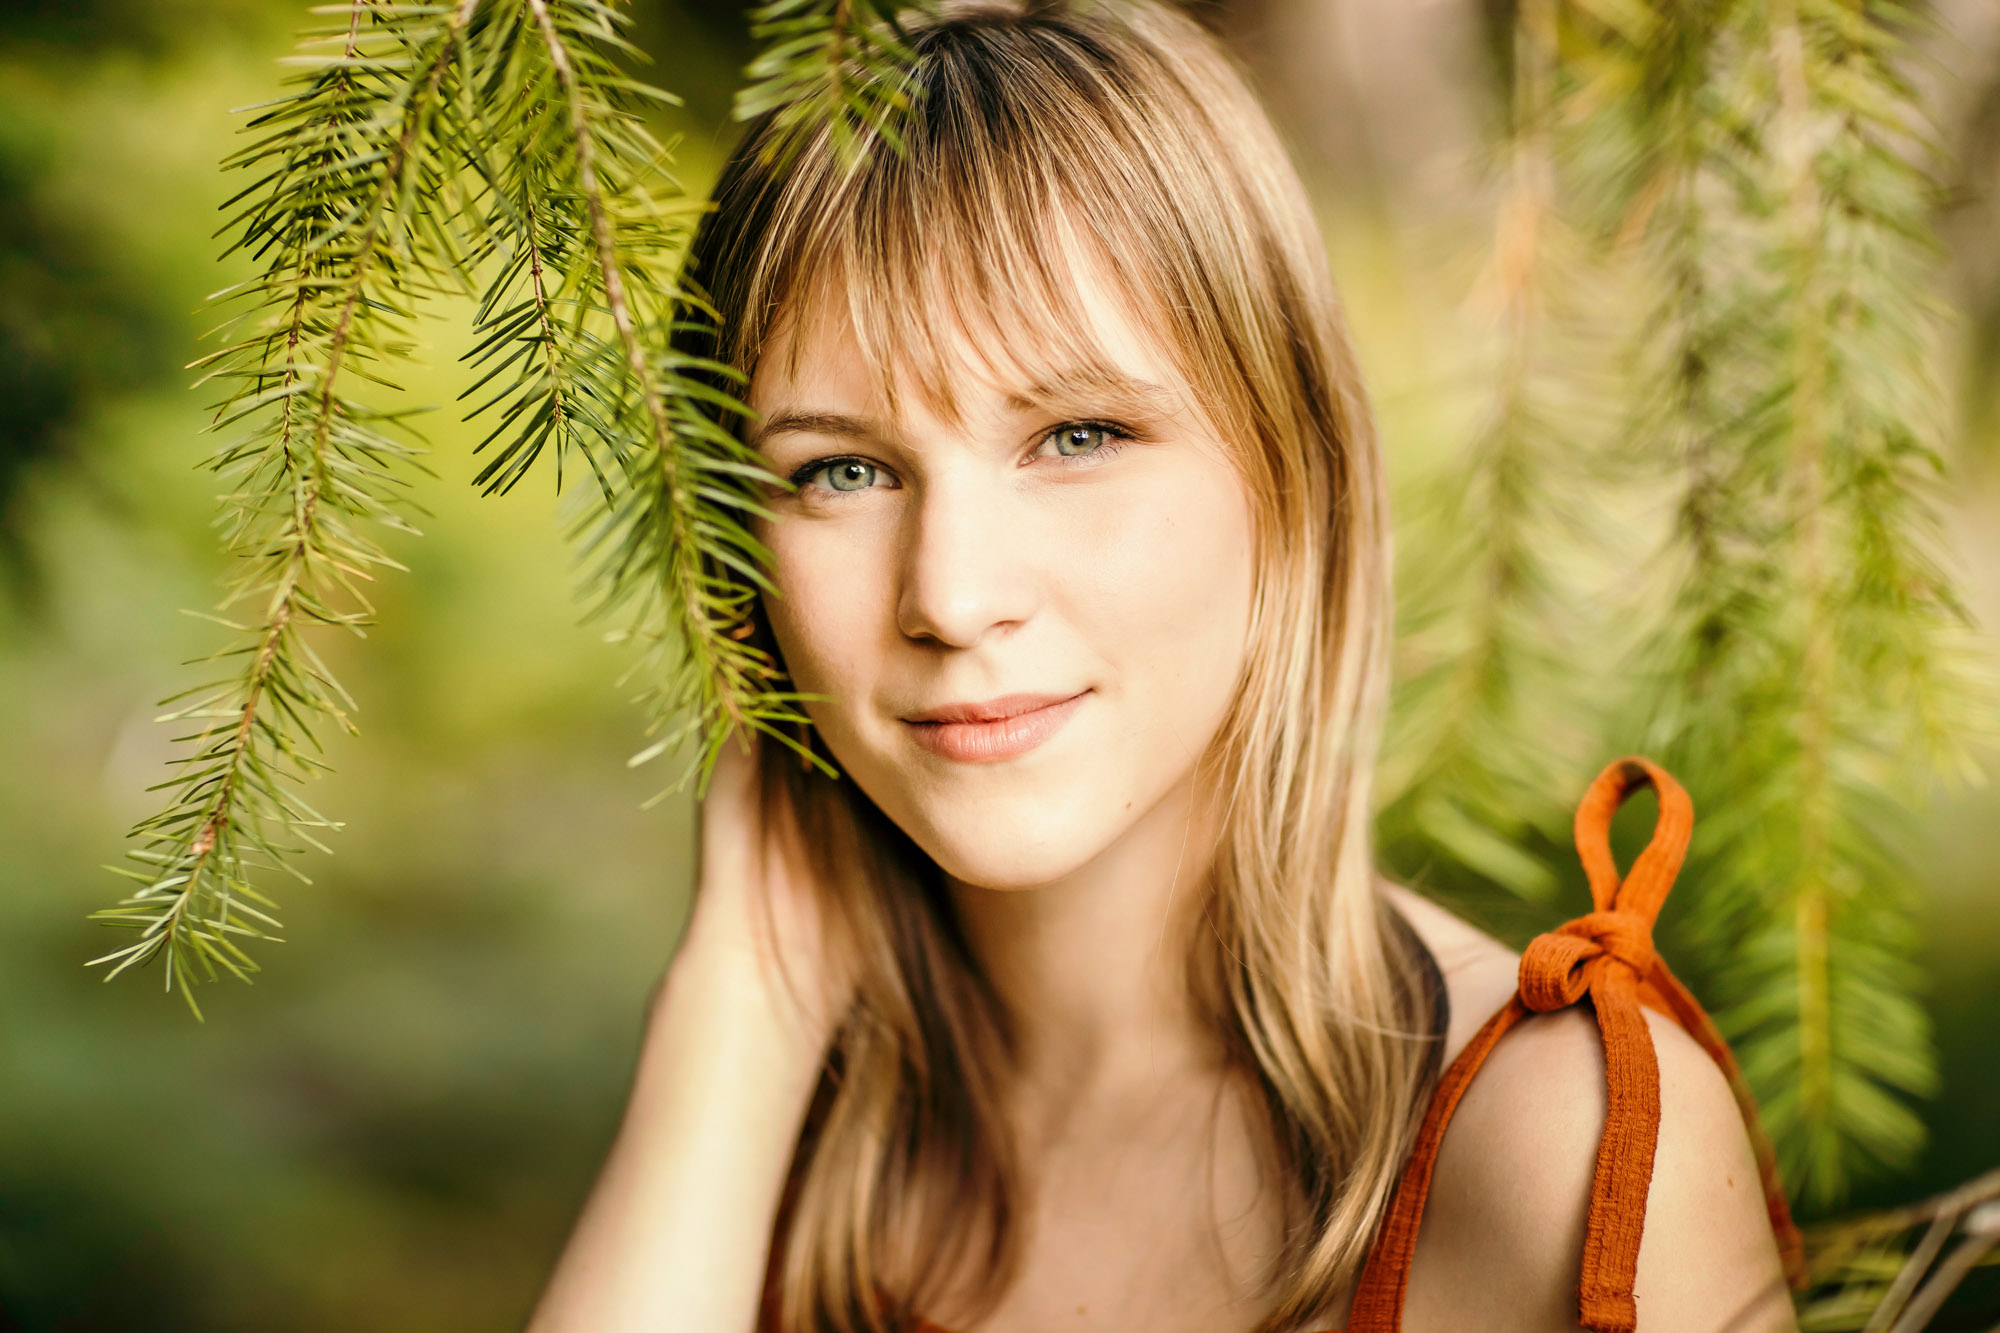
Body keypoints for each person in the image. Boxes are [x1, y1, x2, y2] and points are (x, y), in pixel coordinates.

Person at [525, 2, 1802, 1329]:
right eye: (840, 470)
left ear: (1290, 470)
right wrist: (737, 1007)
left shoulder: (1560, 1139)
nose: (954, 596)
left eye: (1076, 435)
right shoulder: (776, 1130)